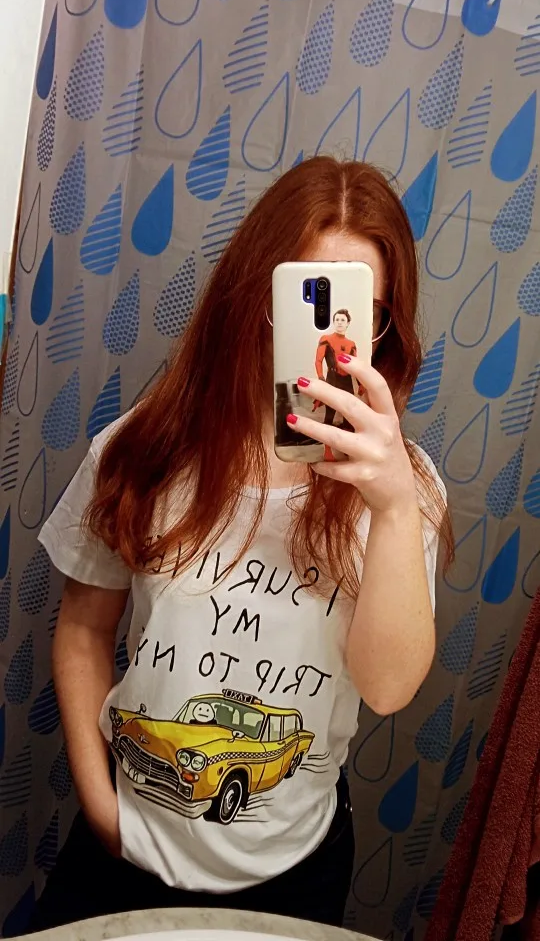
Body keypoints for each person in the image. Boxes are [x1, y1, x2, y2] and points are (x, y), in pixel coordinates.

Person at [31, 156, 453, 932]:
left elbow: (388, 689)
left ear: (385, 327)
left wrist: (392, 508)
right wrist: (101, 808)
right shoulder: (144, 448)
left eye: (359, 312)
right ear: (253, 294)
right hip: (124, 848)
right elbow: (84, 630)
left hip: (296, 867)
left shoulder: (403, 487)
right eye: (305, 301)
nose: (330, 339)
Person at [315, 308, 357, 428]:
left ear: (348, 323)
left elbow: (355, 366)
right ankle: (326, 439)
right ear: (333, 322)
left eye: (342, 320)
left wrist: (361, 385)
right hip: (332, 378)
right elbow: (318, 360)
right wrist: (321, 377)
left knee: (348, 413)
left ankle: (348, 437)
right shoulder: (326, 339)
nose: (339, 322)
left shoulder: (351, 344)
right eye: (337, 319)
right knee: (330, 411)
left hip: (347, 380)